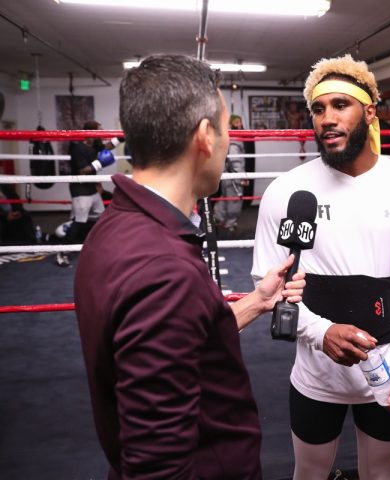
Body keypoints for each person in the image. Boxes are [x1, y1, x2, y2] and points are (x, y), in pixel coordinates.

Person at [74, 54, 306, 480]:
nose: (227, 143)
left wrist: (257, 301)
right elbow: (159, 467)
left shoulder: (116, 228)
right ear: (204, 137)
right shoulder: (164, 270)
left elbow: (186, 338)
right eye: (226, 132)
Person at [251, 54, 390, 480]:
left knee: (379, 476)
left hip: (389, 370)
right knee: (308, 474)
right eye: (319, 109)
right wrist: (320, 332)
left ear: (369, 112)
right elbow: (265, 279)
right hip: (315, 374)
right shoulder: (286, 192)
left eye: (341, 105)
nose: (327, 118)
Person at [55, 120, 116, 267]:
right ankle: (62, 253)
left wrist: (120, 138)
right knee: (79, 221)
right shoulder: (77, 149)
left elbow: (106, 146)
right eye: (99, 131)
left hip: (92, 189)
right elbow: (83, 170)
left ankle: (98, 248)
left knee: (102, 217)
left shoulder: (94, 144)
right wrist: (101, 163)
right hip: (80, 190)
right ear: (90, 132)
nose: (101, 134)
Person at [213, 114, 251, 236]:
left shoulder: (228, 136)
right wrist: (241, 177)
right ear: (231, 124)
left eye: (240, 122)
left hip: (226, 175)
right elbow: (235, 160)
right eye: (236, 122)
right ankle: (231, 225)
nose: (239, 125)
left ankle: (217, 217)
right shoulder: (235, 139)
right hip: (233, 176)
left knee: (226, 198)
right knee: (235, 200)